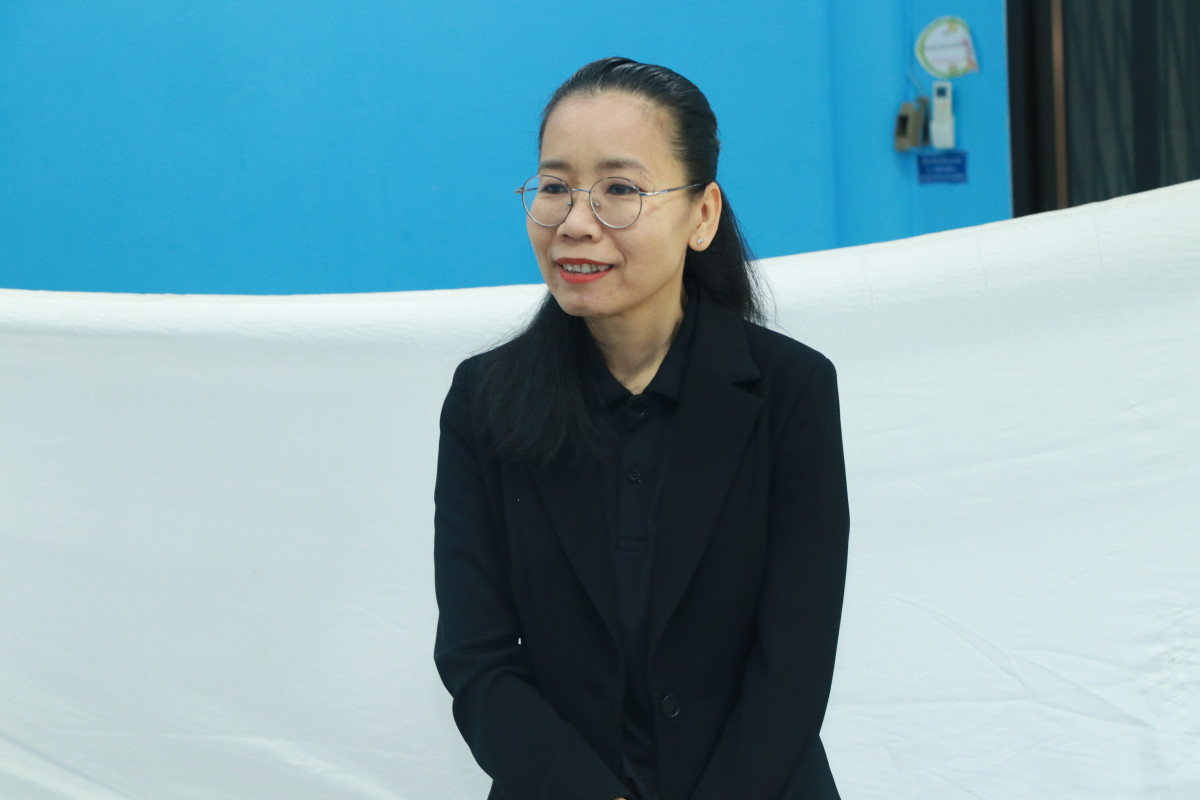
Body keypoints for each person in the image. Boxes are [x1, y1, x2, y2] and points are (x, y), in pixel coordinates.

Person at [433, 57, 849, 800]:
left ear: (702, 215)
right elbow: (477, 659)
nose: (575, 223)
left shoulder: (791, 392)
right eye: (555, 187)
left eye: (619, 190)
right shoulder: (483, 400)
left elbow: (794, 663)